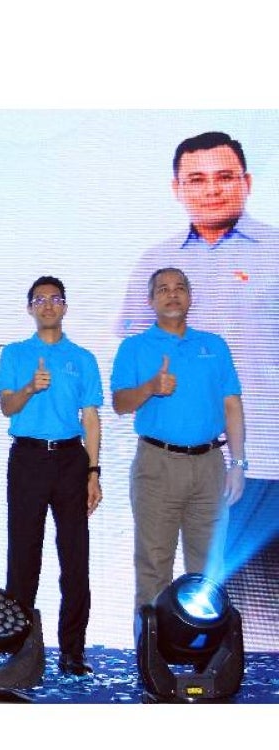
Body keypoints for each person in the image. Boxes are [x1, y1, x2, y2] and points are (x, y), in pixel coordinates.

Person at [116, 132, 278, 643]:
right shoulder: (156, 261)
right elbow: (130, 365)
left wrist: (241, 458)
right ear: (177, 188)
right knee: (176, 578)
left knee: (259, 611)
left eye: (225, 176)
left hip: (265, 459)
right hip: (183, 456)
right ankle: (159, 669)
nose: (212, 190)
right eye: (197, 179)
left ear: (247, 183)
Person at [112, 267, 245, 612]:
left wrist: (239, 464)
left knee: (209, 569)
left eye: (179, 288)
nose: (172, 294)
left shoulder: (214, 345)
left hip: (210, 466)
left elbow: (232, 405)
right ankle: (154, 657)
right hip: (157, 465)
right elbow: (120, 404)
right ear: (150, 300)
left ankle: (204, 656)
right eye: (163, 289)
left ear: (190, 296)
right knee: (154, 565)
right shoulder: (135, 347)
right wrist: (151, 388)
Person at [0, 275, 102, 676]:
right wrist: (30, 388)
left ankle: (73, 651)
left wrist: (93, 471)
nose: (47, 306)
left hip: (71, 460)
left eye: (55, 299)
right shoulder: (16, 354)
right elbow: (7, 407)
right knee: (23, 557)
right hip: (27, 459)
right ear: (29, 309)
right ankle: (19, 648)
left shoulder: (83, 358)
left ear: (65, 307)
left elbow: (91, 419)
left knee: (75, 558)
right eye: (39, 300)